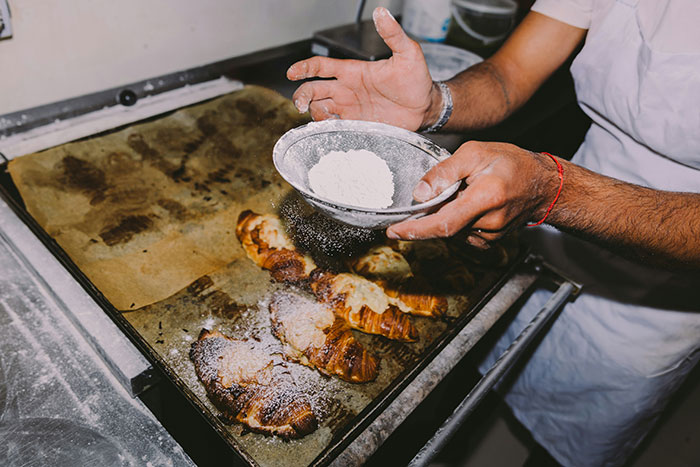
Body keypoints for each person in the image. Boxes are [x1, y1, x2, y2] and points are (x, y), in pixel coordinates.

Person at [287, 2, 700, 466]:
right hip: (548, 236)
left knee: (564, 445)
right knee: (463, 396)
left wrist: (555, 192)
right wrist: (436, 102)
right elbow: (510, 74)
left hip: (661, 292)